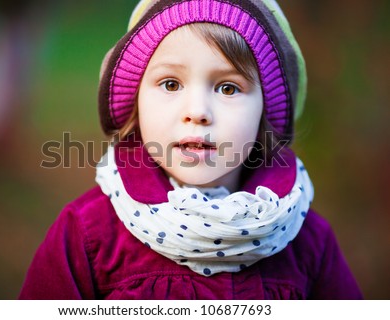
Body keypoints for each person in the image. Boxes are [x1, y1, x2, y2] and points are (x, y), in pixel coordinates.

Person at [19, 0, 362, 299]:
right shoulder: (88, 235)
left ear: (264, 113)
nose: (197, 111)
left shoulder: (305, 242)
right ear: (137, 102)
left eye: (228, 88)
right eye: (171, 84)